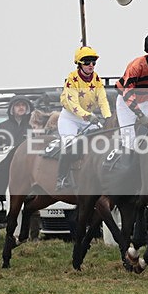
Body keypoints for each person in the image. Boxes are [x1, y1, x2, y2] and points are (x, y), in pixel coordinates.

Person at [55, 46, 112, 190]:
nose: (91, 65)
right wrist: (88, 116)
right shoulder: (71, 78)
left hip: (89, 118)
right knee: (70, 145)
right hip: (70, 118)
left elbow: (103, 100)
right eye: (87, 62)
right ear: (79, 64)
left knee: (102, 141)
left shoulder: (97, 78)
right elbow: (73, 104)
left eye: (93, 62)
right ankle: (61, 178)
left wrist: (107, 117)